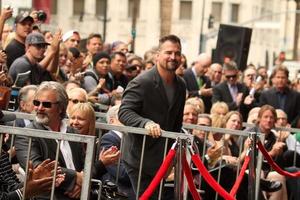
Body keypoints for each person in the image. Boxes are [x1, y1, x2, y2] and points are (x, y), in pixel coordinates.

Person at [118, 34, 186, 198]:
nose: (173, 57)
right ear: (158, 55)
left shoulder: (181, 86)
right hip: (138, 159)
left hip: (162, 160)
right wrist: (146, 123)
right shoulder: (142, 82)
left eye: (177, 53)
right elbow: (124, 112)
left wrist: (172, 158)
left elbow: (176, 123)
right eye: (168, 52)